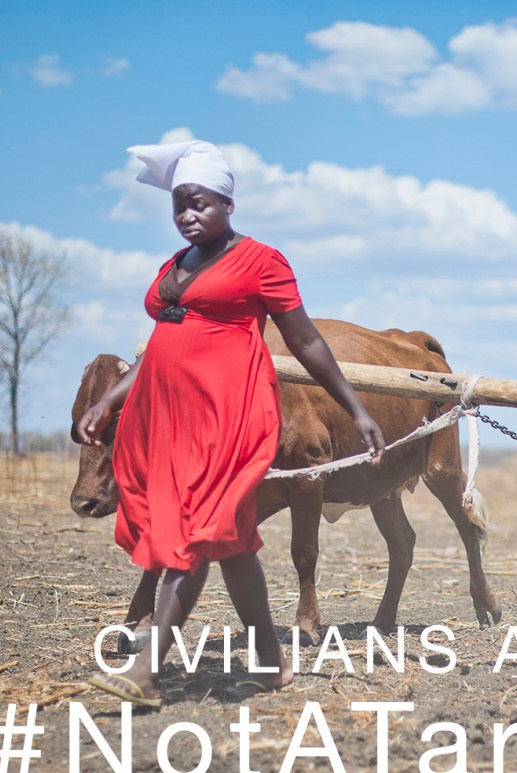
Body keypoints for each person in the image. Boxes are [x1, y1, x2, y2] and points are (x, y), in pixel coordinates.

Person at [80, 140, 384, 707]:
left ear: (227, 203)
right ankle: (270, 664)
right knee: (231, 543)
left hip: (228, 414)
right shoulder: (175, 266)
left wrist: (356, 408)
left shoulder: (262, 261)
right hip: (170, 421)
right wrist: (109, 403)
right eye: (179, 205)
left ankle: (147, 670)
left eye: (199, 203)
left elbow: (306, 340)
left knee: (194, 534)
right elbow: (158, 346)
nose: (187, 215)